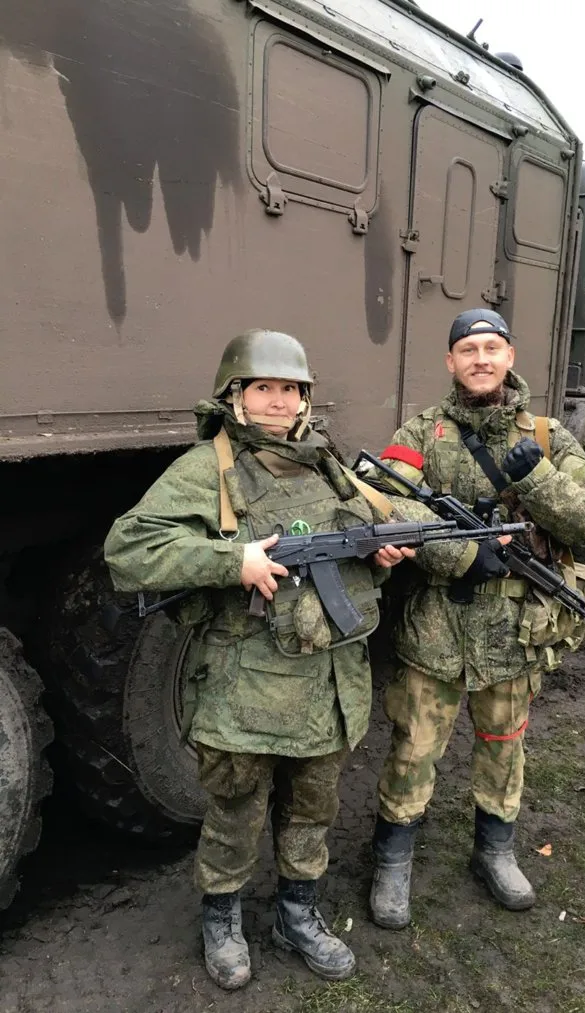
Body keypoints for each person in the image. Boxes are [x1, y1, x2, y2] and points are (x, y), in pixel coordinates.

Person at [103, 329, 414, 990]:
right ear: (235, 397)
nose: (278, 401)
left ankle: (298, 915)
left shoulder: (325, 463)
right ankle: (222, 919)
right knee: (236, 812)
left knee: (313, 811)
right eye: (263, 388)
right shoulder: (208, 469)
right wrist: (232, 561)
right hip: (245, 688)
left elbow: (350, 548)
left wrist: (378, 554)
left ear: (306, 398)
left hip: (330, 683)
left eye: (290, 389)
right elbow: (128, 549)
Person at [366, 308, 585, 929]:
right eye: (468, 349)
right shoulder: (422, 432)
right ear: (450, 362)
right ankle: (393, 863)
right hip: (436, 626)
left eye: (491, 348)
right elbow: (379, 502)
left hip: (513, 629)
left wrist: (537, 478)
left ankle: (495, 852)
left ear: (509, 357)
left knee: (505, 746)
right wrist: (460, 553)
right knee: (413, 748)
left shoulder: (548, 437)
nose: (480, 359)